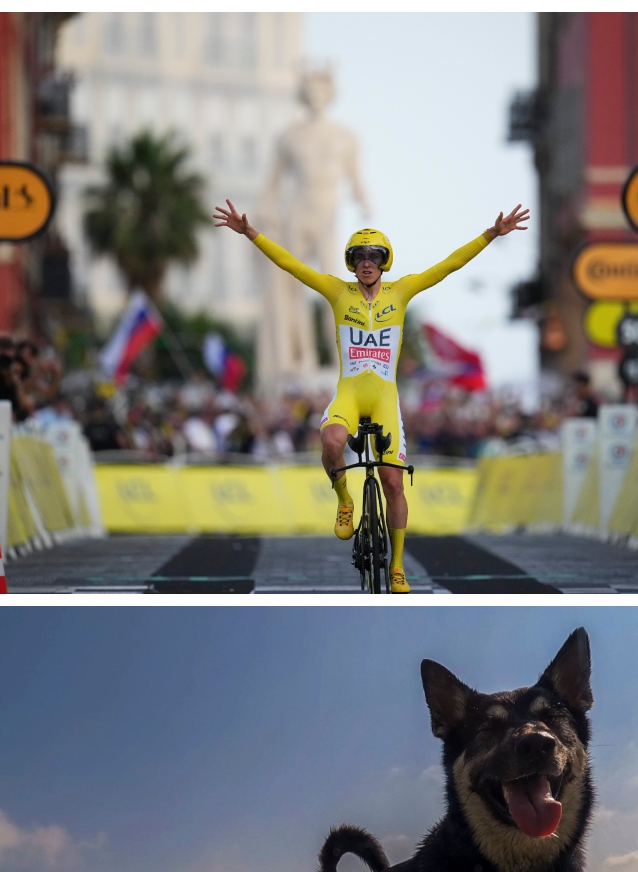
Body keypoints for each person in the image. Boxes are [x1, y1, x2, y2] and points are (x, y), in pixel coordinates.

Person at [214, 198, 529, 593]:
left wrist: (491, 234)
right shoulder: (336, 290)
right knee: (330, 440)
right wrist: (250, 233)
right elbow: (291, 265)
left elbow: (447, 266)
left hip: (383, 397)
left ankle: (396, 565)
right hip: (349, 393)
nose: (367, 261)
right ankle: (345, 499)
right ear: (351, 261)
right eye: (359, 255)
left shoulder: (401, 291)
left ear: (384, 260)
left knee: (392, 483)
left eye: (374, 255)